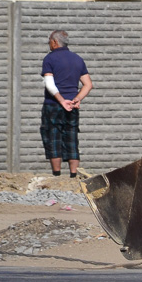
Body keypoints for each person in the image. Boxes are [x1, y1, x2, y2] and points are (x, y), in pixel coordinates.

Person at [41, 30, 93, 178]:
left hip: (53, 104)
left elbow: (50, 84)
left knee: (53, 137)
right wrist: (77, 99)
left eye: (49, 40)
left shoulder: (49, 59)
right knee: (71, 137)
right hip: (72, 106)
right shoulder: (77, 59)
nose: (49, 43)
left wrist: (61, 100)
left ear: (55, 42)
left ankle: (56, 175)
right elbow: (88, 85)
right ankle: (73, 175)